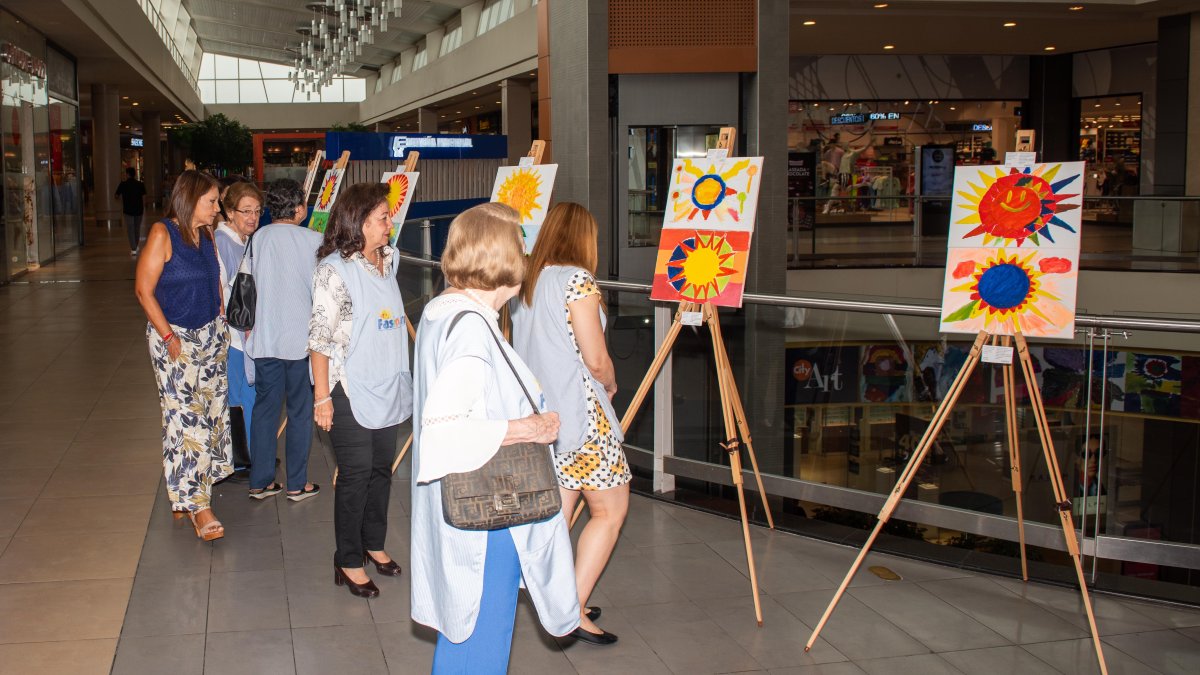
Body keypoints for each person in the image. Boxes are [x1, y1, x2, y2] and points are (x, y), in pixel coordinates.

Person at [411, 202, 580, 672]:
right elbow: (446, 431)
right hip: (489, 518)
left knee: (465, 634)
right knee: (479, 638)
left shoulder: (444, 311)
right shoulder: (470, 332)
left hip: (466, 508)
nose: (528, 257)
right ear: (503, 257)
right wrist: (526, 427)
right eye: (521, 247)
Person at [512, 202, 626, 645]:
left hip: (545, 416)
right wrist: (612, 382)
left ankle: (551, 595)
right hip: (583, 416)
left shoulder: (528, 281)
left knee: (559, 509)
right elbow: (595, 360)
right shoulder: (578, 281)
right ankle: (571, 609)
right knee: (610, 511)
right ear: (585, 238)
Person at [308, 183, 413, 598]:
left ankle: (374, 542)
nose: (390, 224)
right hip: (347, 388)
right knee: (354, 474)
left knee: (381, 470)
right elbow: (319, 338)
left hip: (387, 382)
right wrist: (322, 397)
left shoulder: (391, 259)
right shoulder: (334, 271)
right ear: (359, 221)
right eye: (383, 218)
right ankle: (349, 559)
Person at [133, 169, 232, 541]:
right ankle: (199, 507)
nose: (217, 208)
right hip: (175, 339)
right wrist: (168, 334)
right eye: (211, 201)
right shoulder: (164, 233)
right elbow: (144, 291)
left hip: (209, 335)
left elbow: (215, 281)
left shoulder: (206, 234)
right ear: (190, 199)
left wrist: (220, 319)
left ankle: (186, 493)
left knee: (211, 416)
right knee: (186, 422)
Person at [245, 178, 322, 502]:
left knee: (265, 411)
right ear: (300, 208)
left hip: (265, 339)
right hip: (300, 342)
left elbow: (248, 285)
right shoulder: (314, 240)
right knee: (300, 412)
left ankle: (260, 481)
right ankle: (296, 483)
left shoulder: (258, 238)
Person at [215, 181, 263, 468]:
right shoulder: (223, 243)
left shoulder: (243, 242)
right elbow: (221, 292)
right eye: (245, 211)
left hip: (245, 335)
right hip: (233, 336)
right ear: (229, 212)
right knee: (240, 396)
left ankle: (251, 453)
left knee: (249, 393)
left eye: (257, 211)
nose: (252, 217)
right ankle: (242, 457)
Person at [115, 167, 147, 256]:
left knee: (130, 229)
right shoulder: (140, 184)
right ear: (135, 174)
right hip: (139, 210)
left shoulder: (123, 184)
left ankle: (133, 248)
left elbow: (116, 195)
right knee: (137, 229)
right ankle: (135, 245)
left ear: (127, 174)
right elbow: (144, 197)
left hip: (128, 210)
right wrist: (143, 207)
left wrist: (122, 199)